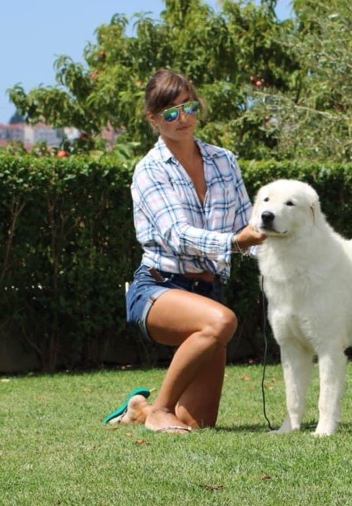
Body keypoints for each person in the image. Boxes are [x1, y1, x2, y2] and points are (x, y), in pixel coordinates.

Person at [103, 69, 266, 434]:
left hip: (208, 292)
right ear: (153, 118)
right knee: (222, 321)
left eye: (189, 107)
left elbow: (247, 223)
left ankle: (140, 409)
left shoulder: (224, 161)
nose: (183, 118)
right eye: (171, 113)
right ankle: (160, 411)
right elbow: (176, 234)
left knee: (198, 423)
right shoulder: (149, 170)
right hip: (158, 289)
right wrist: (233, 243)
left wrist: (281, 253)